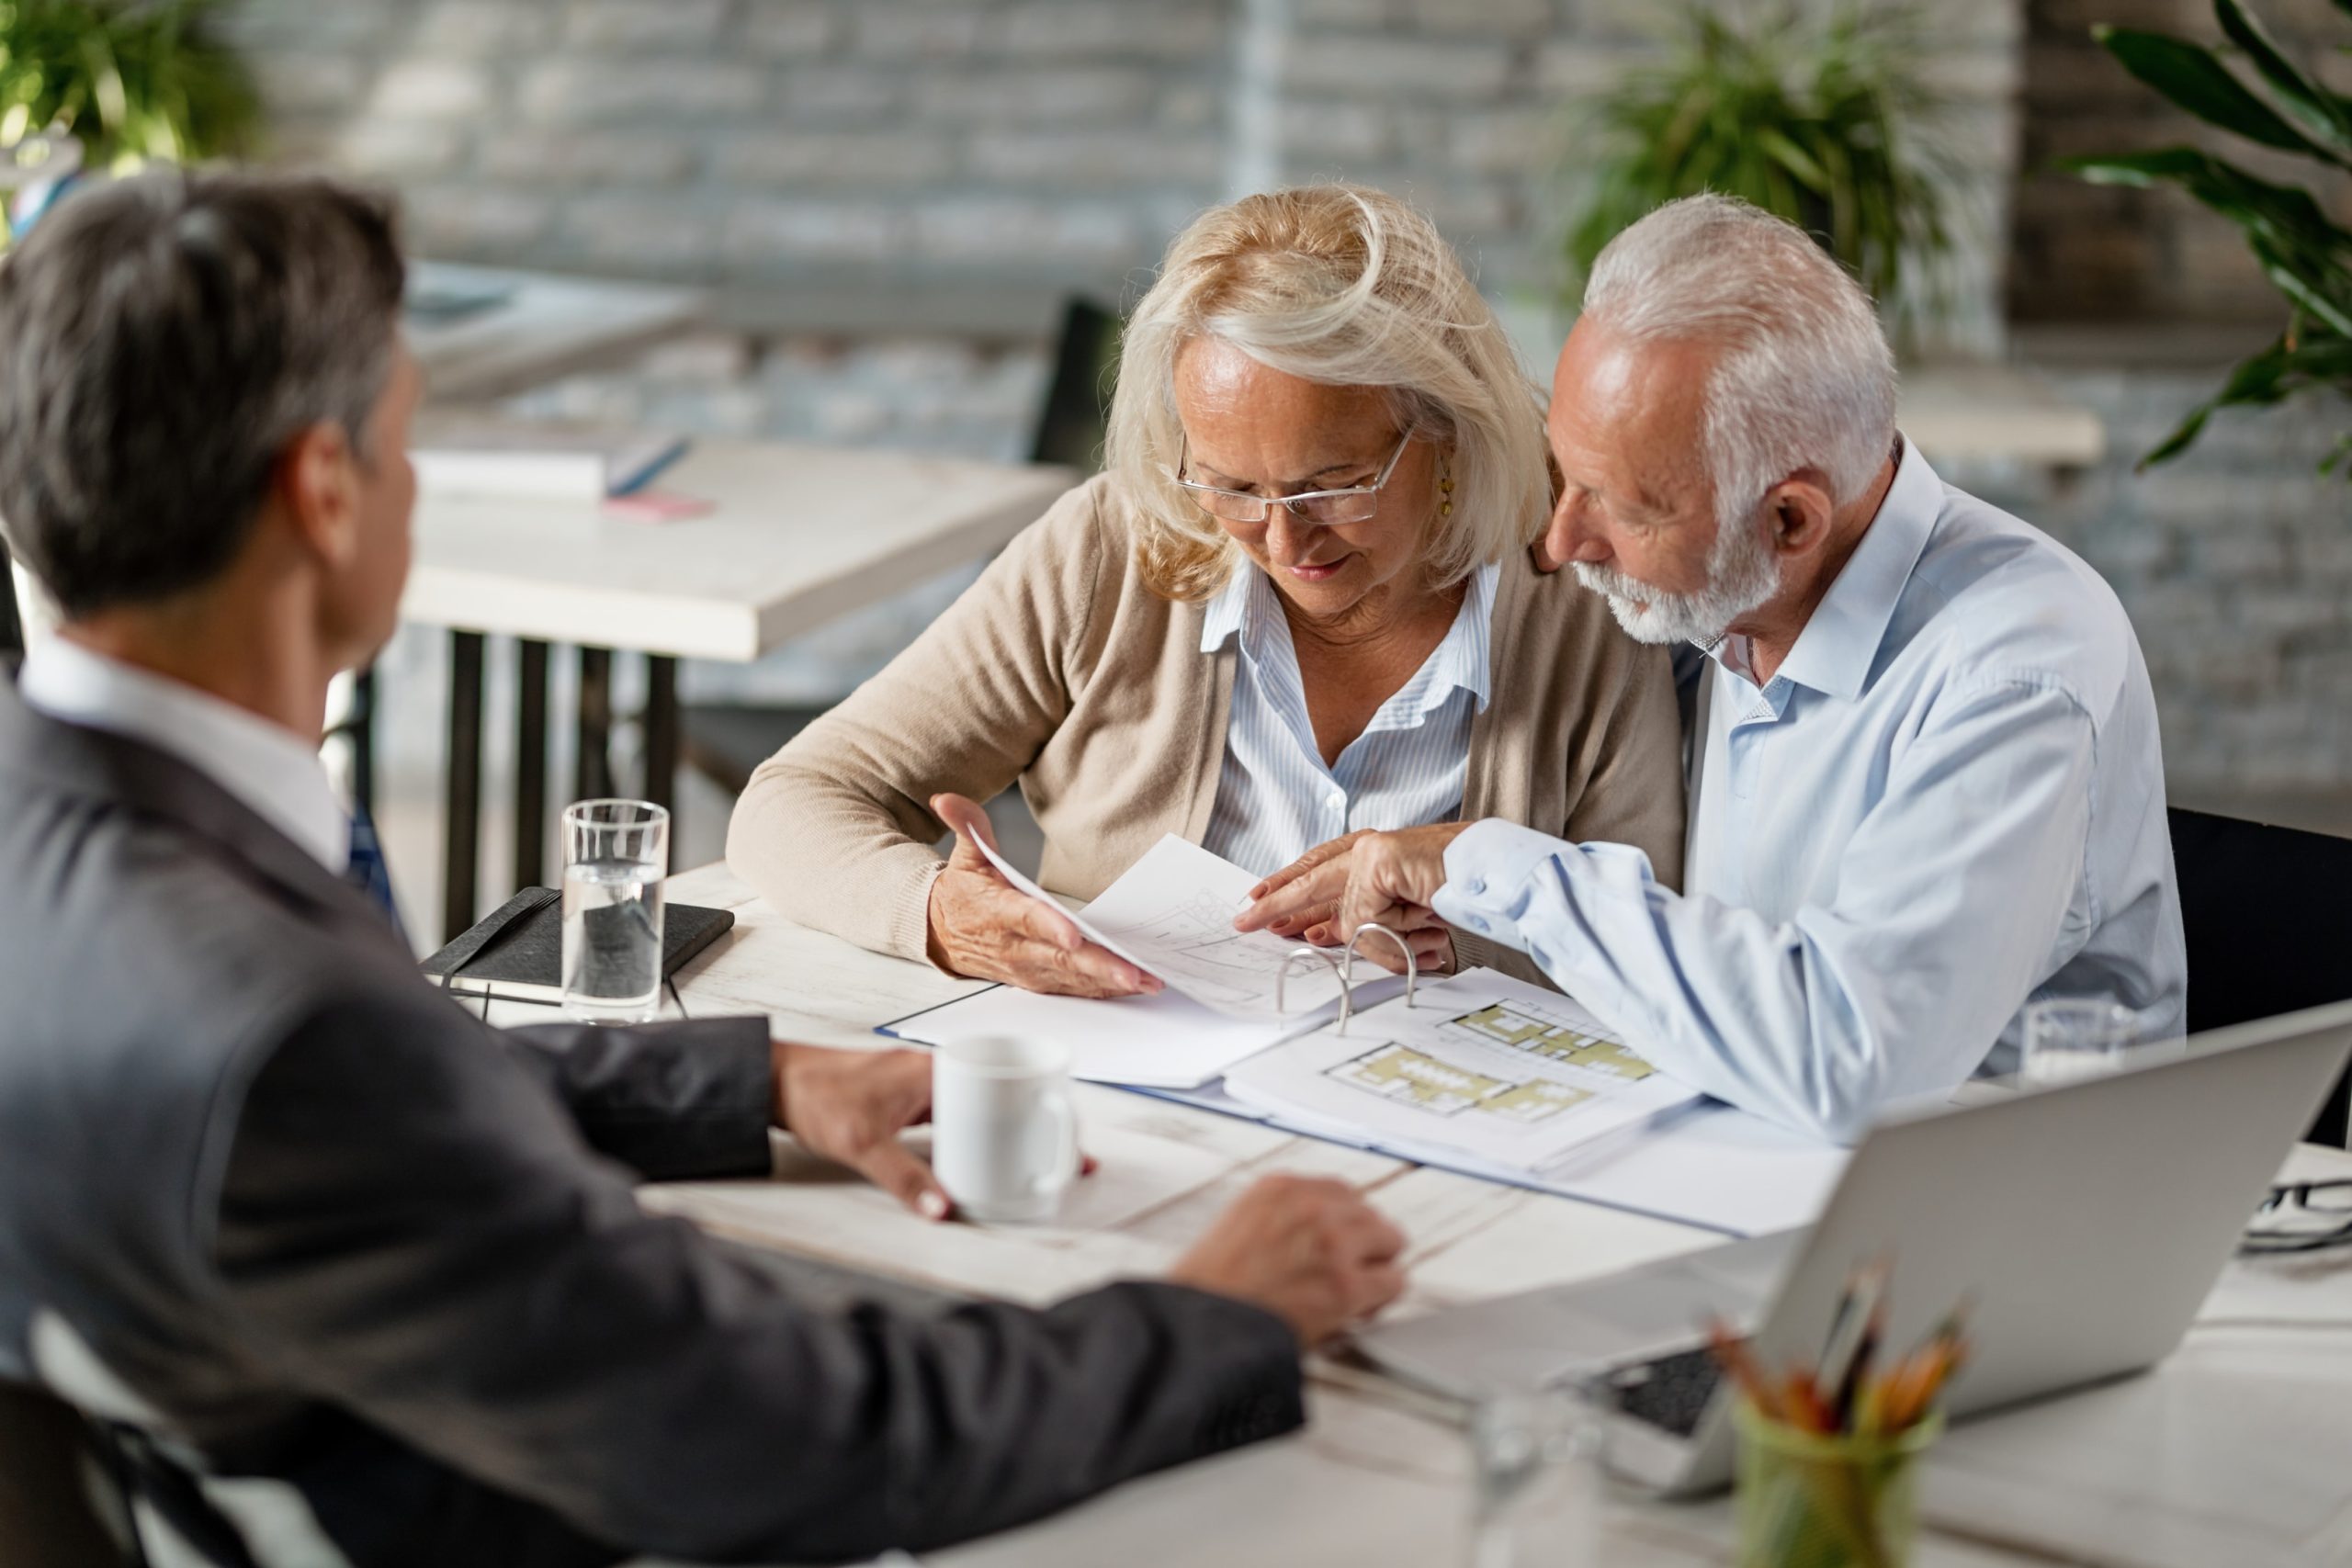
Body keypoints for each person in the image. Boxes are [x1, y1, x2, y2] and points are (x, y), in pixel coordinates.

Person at [0, 170, 1408, 1568]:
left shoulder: (65, 852)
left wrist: (753, 1080)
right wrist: (1220, 1312)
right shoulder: (293, 1024)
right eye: (406, 439)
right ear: (322, 489)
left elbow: (339, 1124)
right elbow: (797, 1441)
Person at [1239, 194, 2188, 1143]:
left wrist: (1488, 863)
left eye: (1619, 507)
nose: (1563, 541)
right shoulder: (1724, 595)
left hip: (1988, 1203)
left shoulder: (2017, 669)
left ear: (1789, 520)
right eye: (1566, 477)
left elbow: (1848, 1060)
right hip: (1730, 1149)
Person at [727, 185, 1684, 998]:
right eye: (1230, 485)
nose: (1280, 539)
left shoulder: (1581, 594)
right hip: (1130, 1109)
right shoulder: (1112, 548)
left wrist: (1471, 935)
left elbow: (1651, 938)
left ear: (1443, 427)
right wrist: (936, 911)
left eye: (1333, 484)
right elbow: (797, 798)